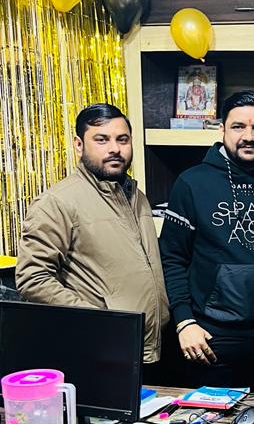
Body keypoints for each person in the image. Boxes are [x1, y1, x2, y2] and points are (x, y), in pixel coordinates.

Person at [159, 90, 254, 391]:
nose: (249, 136)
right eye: (238, 127)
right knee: (212, 420)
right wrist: (184, 322)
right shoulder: (192, 183)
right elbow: (172, 258)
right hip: (211, 337)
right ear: (222, 129)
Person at [16, 102, 169, 366]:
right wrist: (99, 319)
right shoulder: (57, 202)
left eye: (122, 140)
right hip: (99, 350)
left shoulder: (137, 197)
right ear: (79, 145)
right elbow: (33, 278)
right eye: (102, 140)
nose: (115, 149)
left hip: (148, 348)